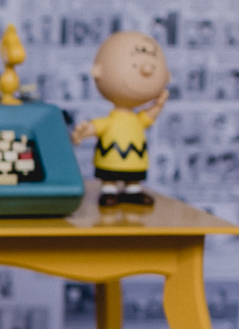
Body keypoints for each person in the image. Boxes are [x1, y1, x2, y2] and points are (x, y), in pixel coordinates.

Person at [71, 30, 171, 207]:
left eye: (153, 67)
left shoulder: (138, 120)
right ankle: (109, 189)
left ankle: (133, 189)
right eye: (135, 65)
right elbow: (97, 127)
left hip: (135, 162)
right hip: (110, 160)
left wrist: (159, 105)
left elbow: (148, 117)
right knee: (109, 177)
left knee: (134, 179)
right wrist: (84, 132)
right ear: (98, 71)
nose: (147, 70)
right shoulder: (111, 121)